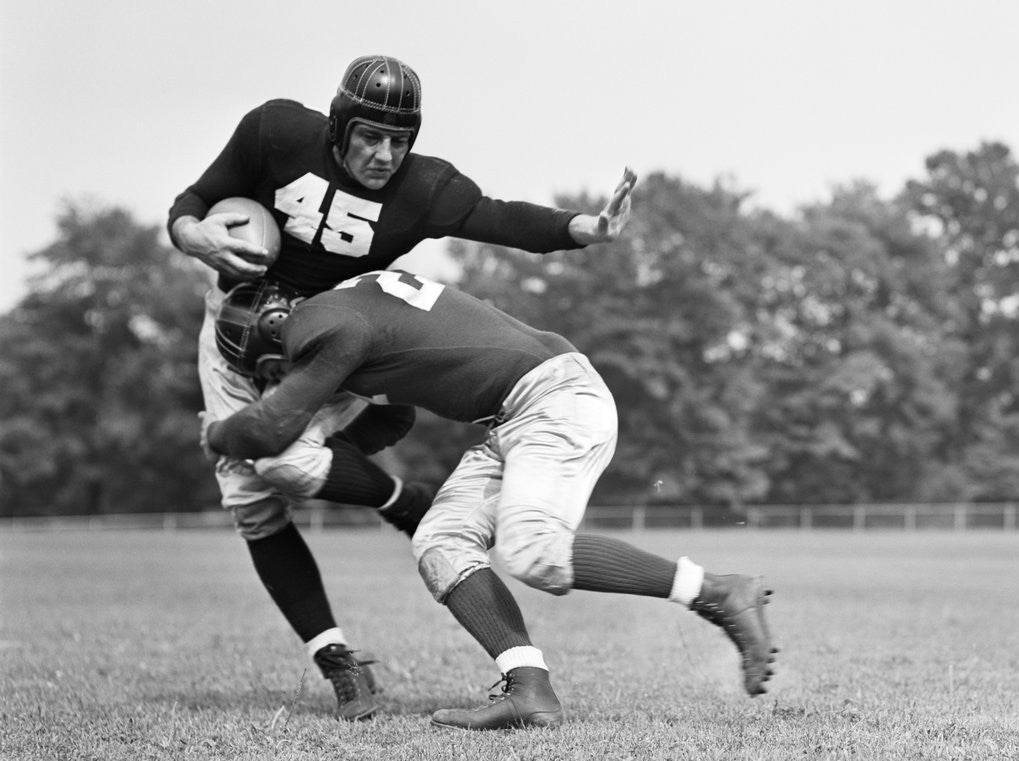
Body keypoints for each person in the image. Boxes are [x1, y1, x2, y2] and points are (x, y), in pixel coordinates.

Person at [167, 55, 637, 720]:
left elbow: (500, 219)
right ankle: (338, 661)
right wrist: (196, 236)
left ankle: (394, 493)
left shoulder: (424, 189)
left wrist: (584, 228)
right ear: (336, 125)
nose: (385, 154)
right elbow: (188, 205)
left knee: (284, 462)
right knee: (253, 502)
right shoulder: (276, 132)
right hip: (236, 331)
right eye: (370, 135)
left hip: (334, 344)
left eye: (400, 139)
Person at [201, 271, 778, 730]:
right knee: (440, 541)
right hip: (516, 414)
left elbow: (269, 429)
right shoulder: (345, 307)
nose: (278, 382)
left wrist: (218, 435)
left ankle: (718, 591)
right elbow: (395, 413)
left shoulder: (311, 326)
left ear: (272, 338)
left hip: (553, 398)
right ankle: (529, 688)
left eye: (271, 373)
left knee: (532, 550)